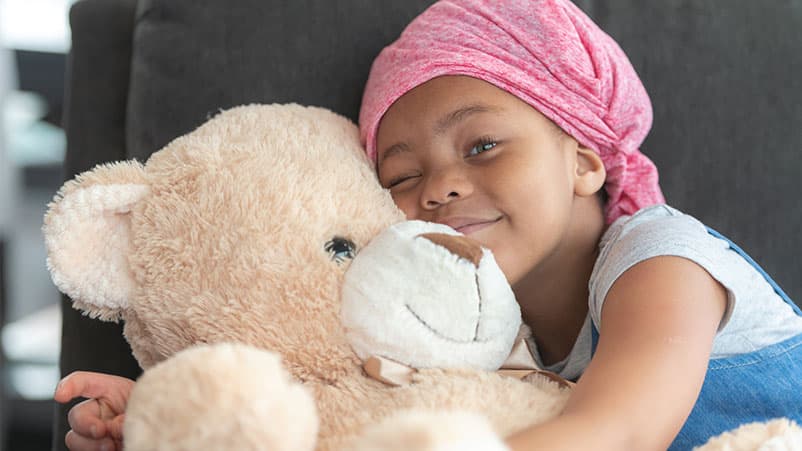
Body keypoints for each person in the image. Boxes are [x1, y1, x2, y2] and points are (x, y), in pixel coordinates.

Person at [55, 1, 802, 450]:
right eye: (402, 178)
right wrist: (168, 415)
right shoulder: (475, 327)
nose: (441, 186)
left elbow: (620, 431)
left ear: (583, 160)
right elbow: (337, 402)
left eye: (482, 145)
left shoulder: (661, 262)